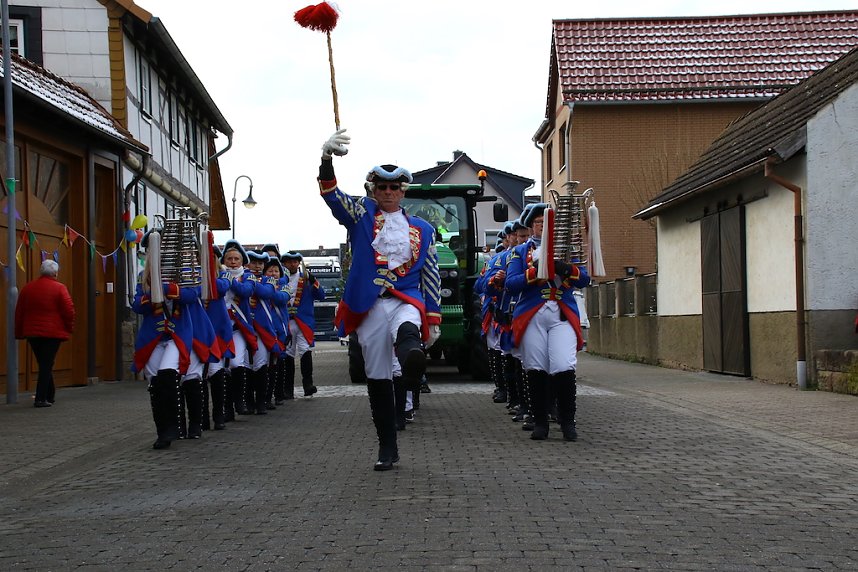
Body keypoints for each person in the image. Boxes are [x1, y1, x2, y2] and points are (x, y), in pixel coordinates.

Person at [317, 128, 442, 471]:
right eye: (382, 187)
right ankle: (388, 446)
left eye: (395, 187)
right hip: (370, 303)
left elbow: (431, 275)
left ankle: (414, 362)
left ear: (404, 190)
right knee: (377, 375)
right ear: (373, 189)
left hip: (407, 297)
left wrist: (433, 317)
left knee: (407, 329)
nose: (388, 192)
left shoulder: (423, 229)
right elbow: (331, 195)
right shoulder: (360, 214)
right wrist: (326, 159)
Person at [505, 203, 590, 442]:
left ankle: (567, 421)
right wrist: (535, 273)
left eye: (548, 222)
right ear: (532, 227)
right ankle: (540, 421)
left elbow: (584, 279)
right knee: (535, 367)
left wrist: (565, 267)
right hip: (533, 314)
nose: (543, 226)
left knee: (563, 364)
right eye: (540, 222)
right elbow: (511, 284)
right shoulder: (521, 252)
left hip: (561, 313)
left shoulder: (567, 250)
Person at [15, 259, 75, 408]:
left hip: (32, 333)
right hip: (52, 332)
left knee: (44, 363)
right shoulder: (60, 288)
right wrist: (69, 328)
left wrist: (19, 332)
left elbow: (19, 312)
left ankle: (50, 394)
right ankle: (40, 398)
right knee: (46, 364)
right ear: (55, 272)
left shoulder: (28, 288)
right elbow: (69, 311)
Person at [280, 251, 325, 398]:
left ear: (299, 263)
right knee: (288, 354)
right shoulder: (281, 280)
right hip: (286, 322)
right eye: (289, 261)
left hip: (303, 322)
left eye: (295, 261)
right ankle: (287, 389)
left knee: (305, 351)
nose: (292, 264)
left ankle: (308, 385)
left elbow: (321, 295)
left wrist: (314, 281)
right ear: (284, 263)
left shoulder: (306, 279)